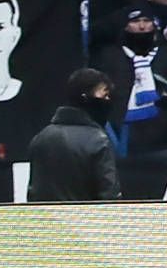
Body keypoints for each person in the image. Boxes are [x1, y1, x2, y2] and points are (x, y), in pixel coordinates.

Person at [19, 70, 119, 200]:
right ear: (85, 97)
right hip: (86, 219)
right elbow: (109, 197)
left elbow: (35, 192)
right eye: (104, 95)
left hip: (47, 219)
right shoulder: (98, 141)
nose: (108, 100)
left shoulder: (41, 138)